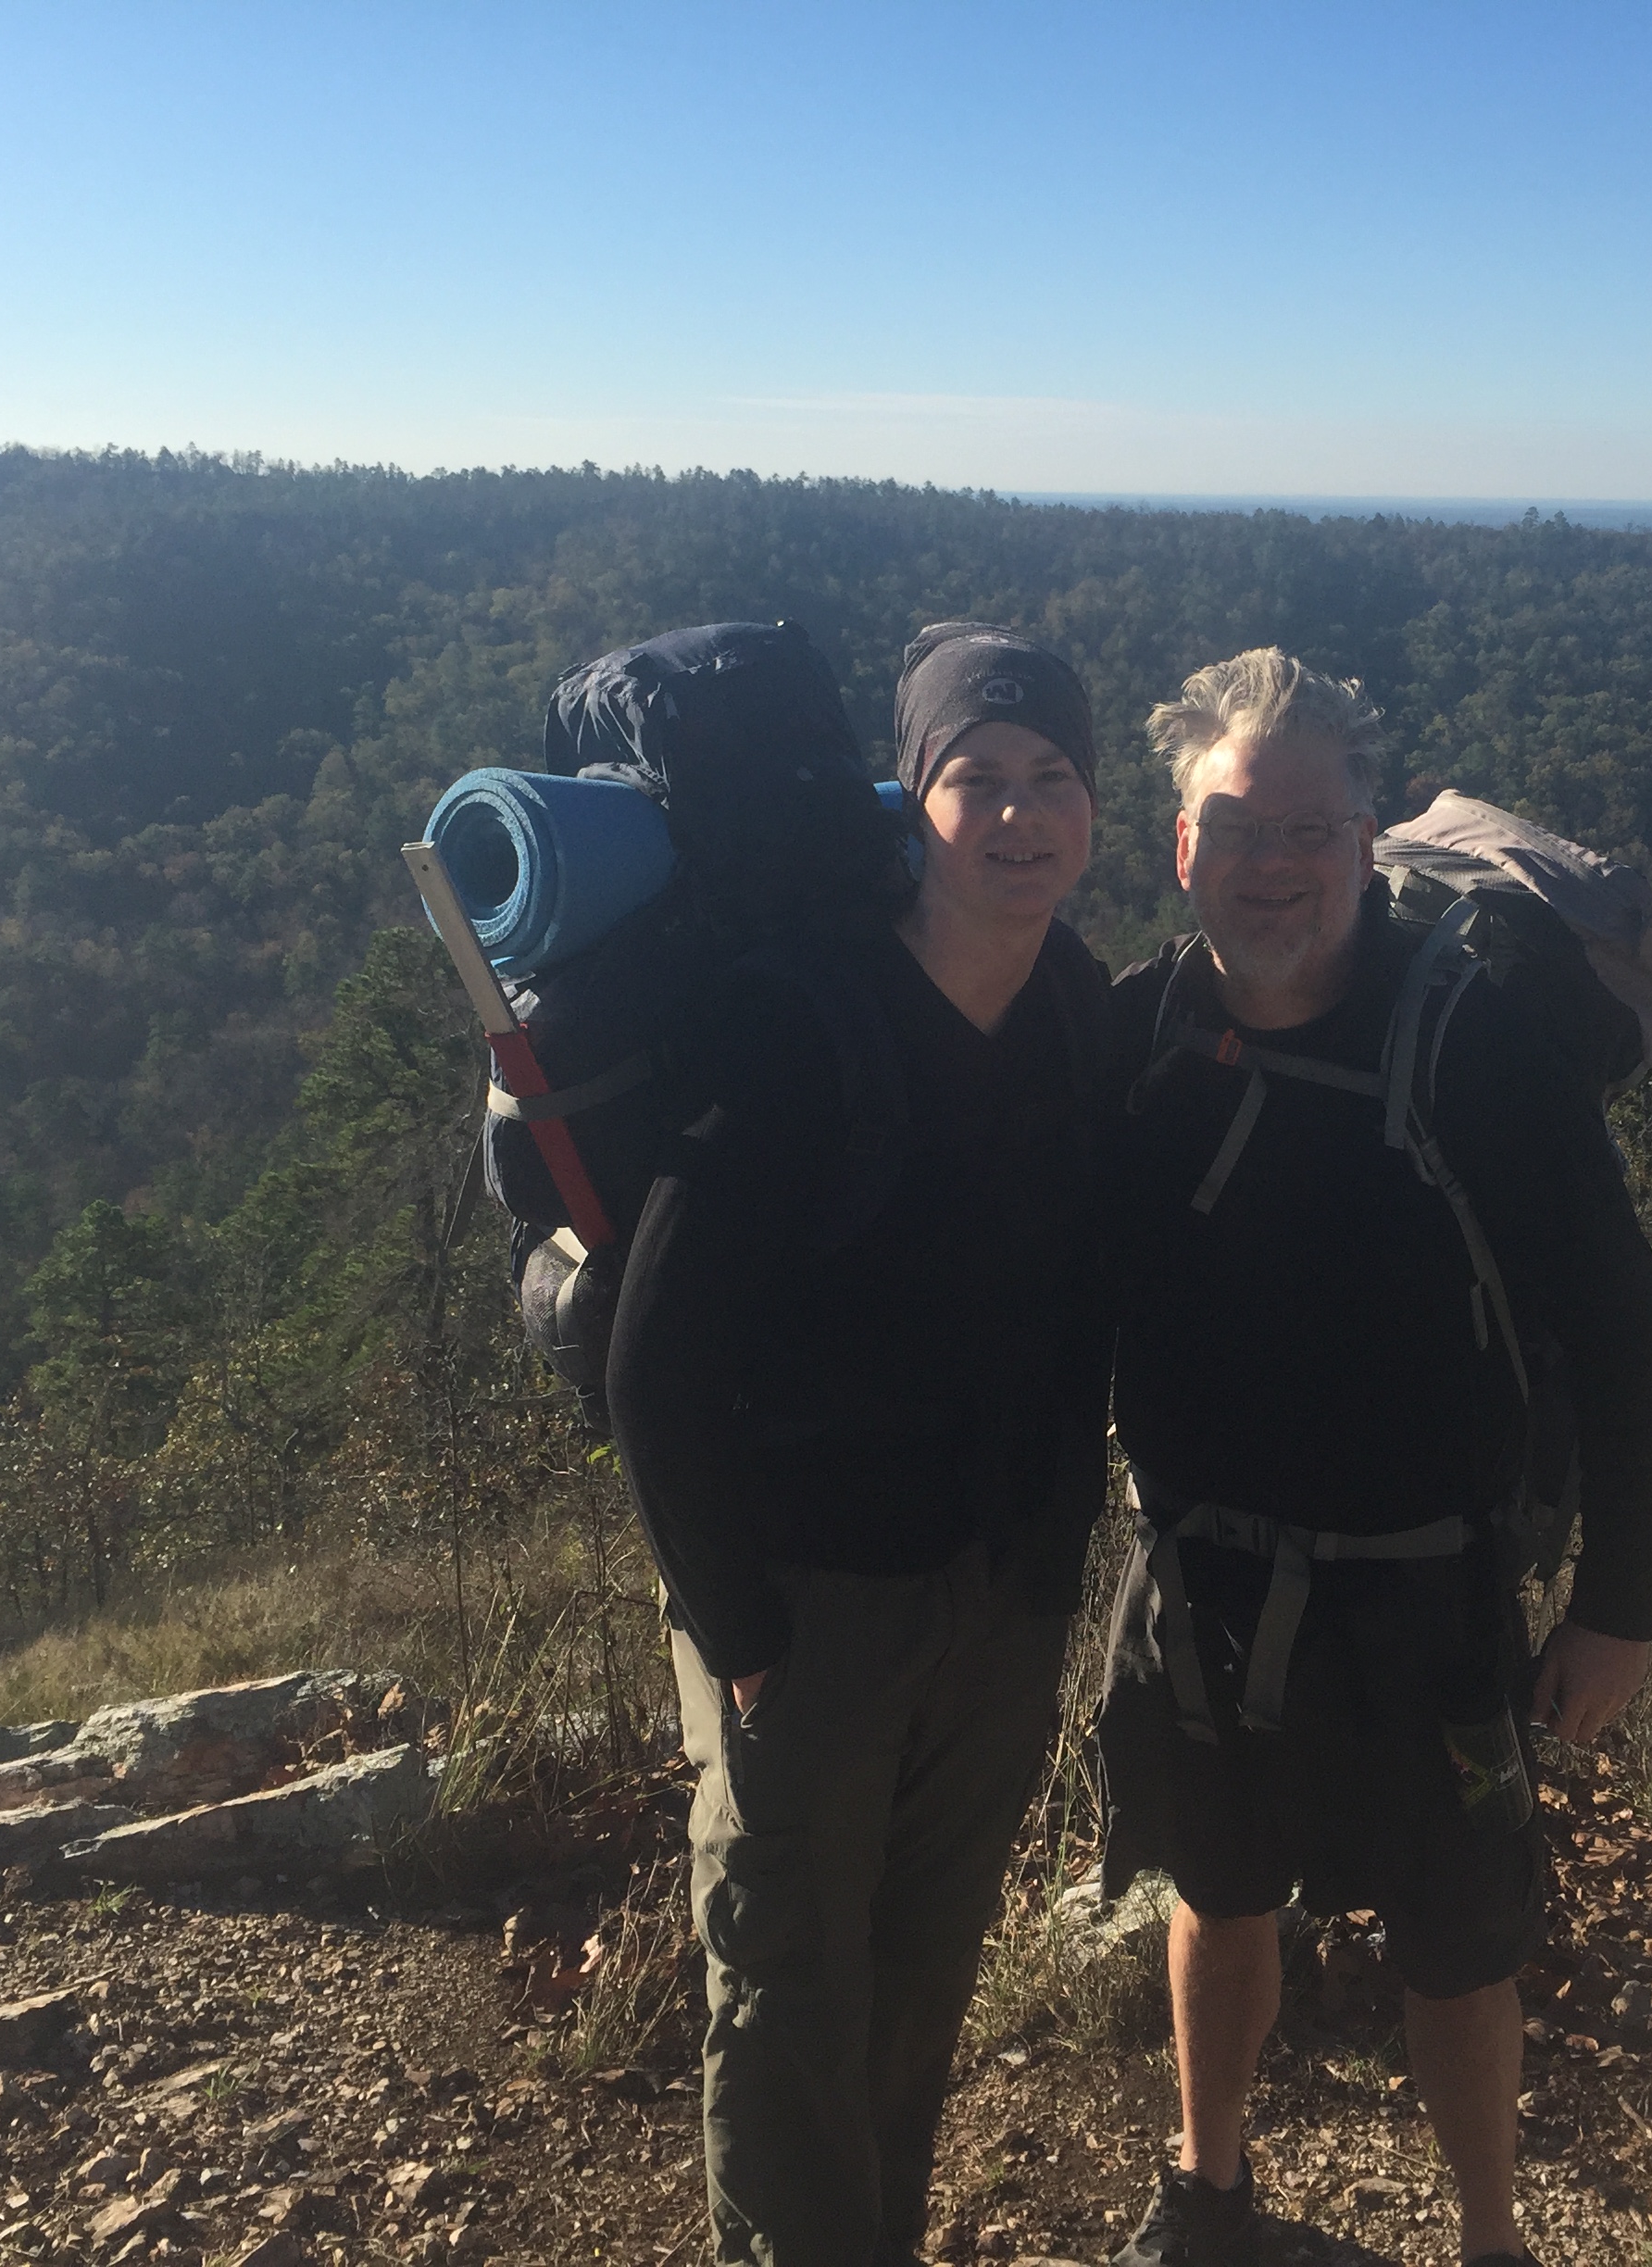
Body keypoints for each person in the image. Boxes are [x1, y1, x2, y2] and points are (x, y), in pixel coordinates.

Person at [1095, 649, 1652, 2267]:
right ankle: (1209, 2194)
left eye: (1311, 826)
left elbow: (1625, 1337)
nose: (1273, 862)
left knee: (1457, 1945)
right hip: (1207, 1581)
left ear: (1364, 842)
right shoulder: (1138, 1034)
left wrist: (1617, 1606)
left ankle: (1490, 2238)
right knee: (1217, 1890)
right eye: (1238, 822)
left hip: (1435, 1593)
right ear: (1180, 844)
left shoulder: (1476, 1045)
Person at [607, 622, 1113, 2267]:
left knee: (915, 1985)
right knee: (787, 1998)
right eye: (980, 778)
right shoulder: (800, 1028)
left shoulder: (1078, 1010)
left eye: (1054, 780)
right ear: (918, 793)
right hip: (808, 1609)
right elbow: (655, 1361)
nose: (1021, 815)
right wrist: (744, 1633)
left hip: (997, 1600)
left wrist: (1051, 1574)